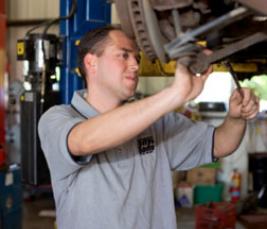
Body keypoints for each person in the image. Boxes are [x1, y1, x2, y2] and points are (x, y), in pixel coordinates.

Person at [38, 26, 259, 229]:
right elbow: (83, 141)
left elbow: (219, 144)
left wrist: (235, 118)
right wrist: (175, 94)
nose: (135, 65)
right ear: (91, 63)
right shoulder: (58, 119)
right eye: (123, 55)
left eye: (136, 57)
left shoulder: (156, 124)